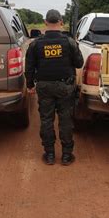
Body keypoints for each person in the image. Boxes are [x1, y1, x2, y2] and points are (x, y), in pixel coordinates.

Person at [25, 9, 84, 166]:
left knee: (46, 119)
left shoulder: (35, 44)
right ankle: (66, 156)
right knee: (65, 119)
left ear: (45, 23)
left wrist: (30, 85)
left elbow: (29, 67)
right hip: (65, 86)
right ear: (61, 22)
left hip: (44, 87)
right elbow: (79, 63)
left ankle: (50, 155)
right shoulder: (70, 42)